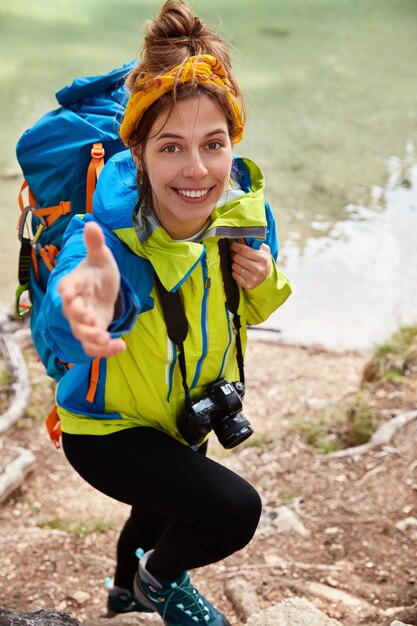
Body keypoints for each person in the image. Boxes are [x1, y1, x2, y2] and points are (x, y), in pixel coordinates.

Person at [38, 1, 292, 624]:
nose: (198, 169)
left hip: (185, 411)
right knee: (233, 511)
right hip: (108, 431)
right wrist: (83, 311)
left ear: (233, 142)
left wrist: (263, 279)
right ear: (140, 152)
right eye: (171, 146)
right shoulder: (109, 237)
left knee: (158, 516)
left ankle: (125, 594)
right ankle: (159, 585)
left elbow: (248, 309)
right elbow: (70, 310)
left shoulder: (243, 215)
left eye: (214, 143)